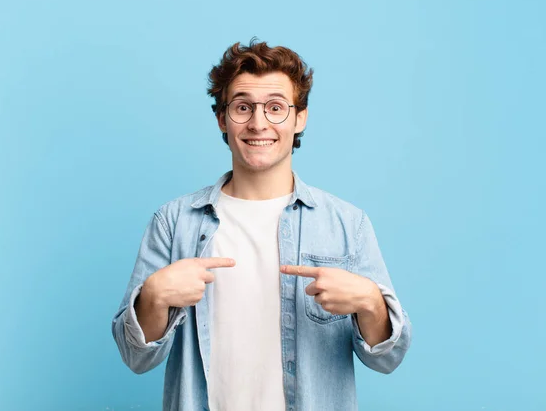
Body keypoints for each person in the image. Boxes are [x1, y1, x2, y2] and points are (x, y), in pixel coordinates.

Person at [112, 39, 412, 411]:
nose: (258, 123)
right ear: (222, 118)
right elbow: (135, 357)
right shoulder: (173, 222)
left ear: (300, 117)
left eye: (275, 108)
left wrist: (370, 303)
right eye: (242, 107)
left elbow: (387, 357)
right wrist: (154, 298)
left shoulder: (348, 224)